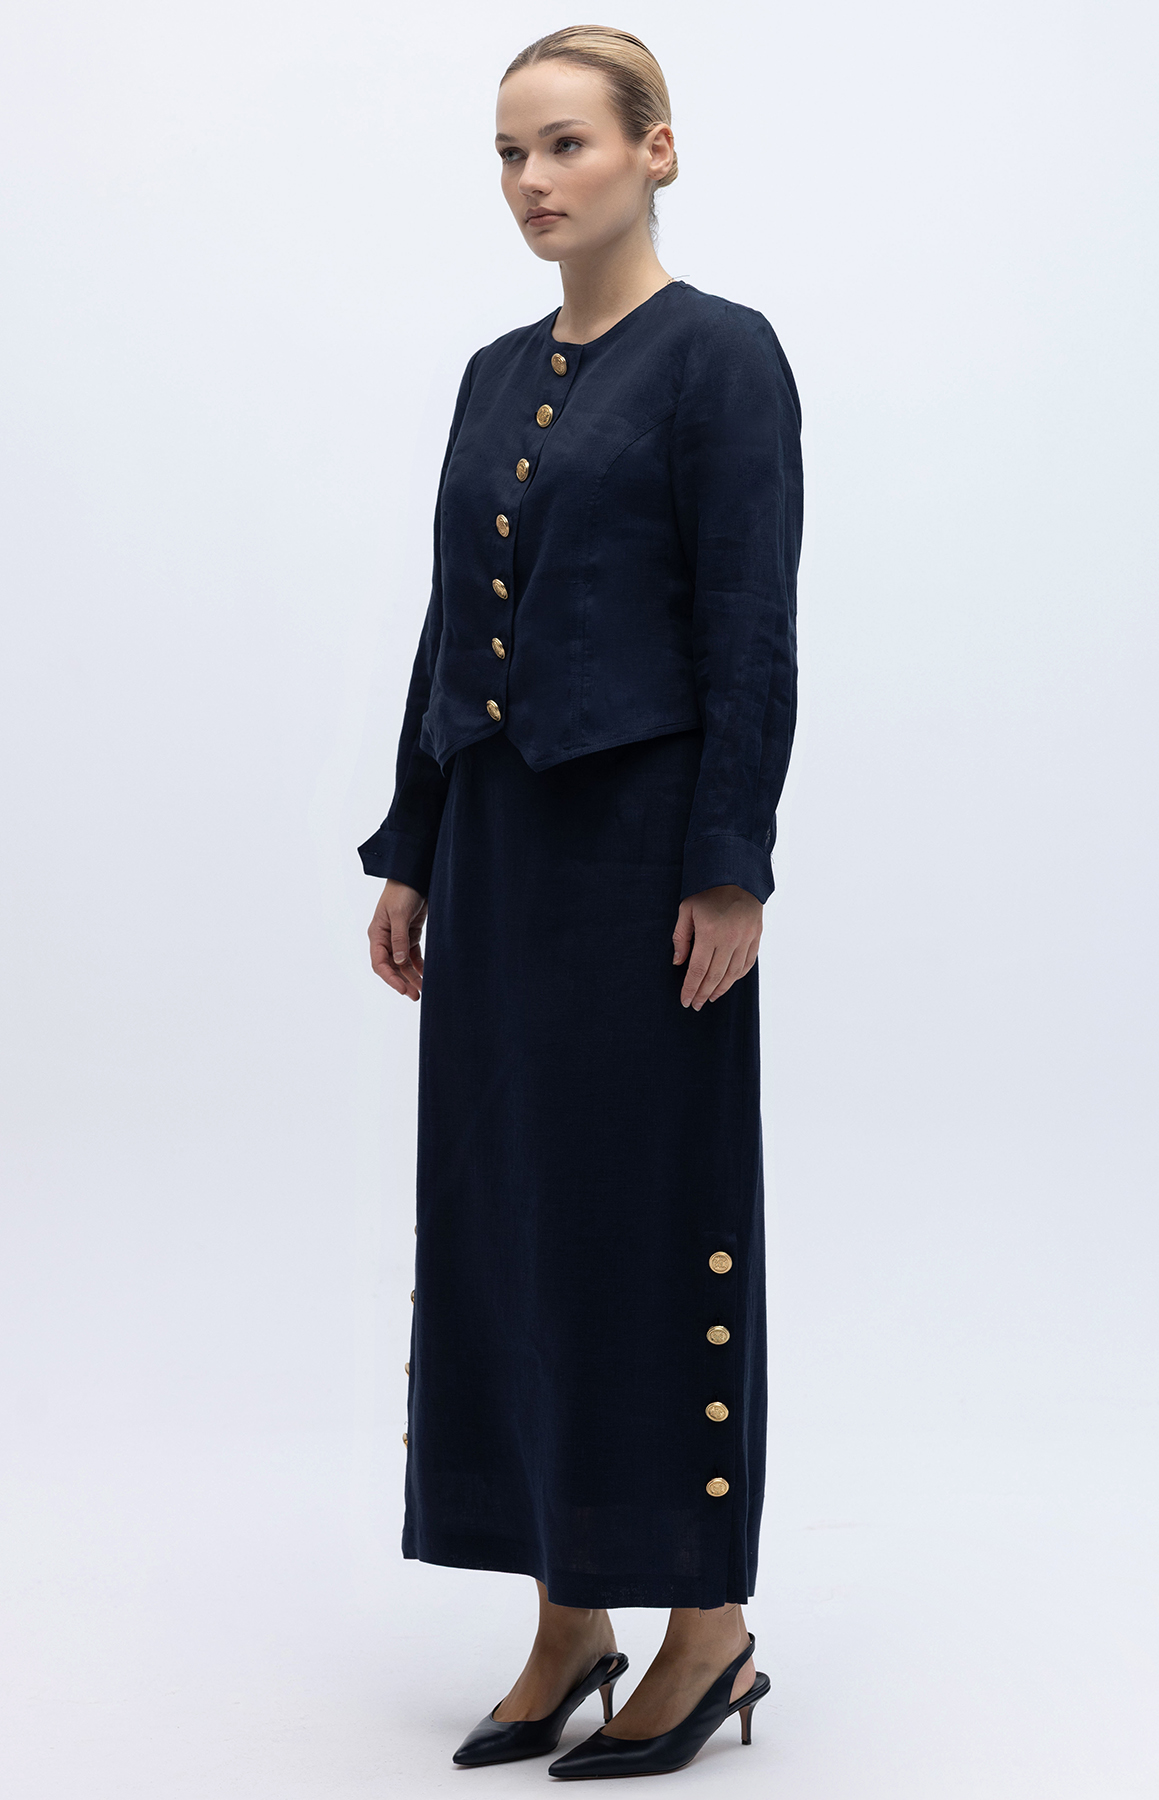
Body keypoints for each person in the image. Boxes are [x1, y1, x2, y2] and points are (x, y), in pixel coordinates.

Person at [359, 24, 803, 1780]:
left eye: (567, 144)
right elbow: (444, 623)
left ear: (655, 152)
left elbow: (748, 627)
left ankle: (706, 1627)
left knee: (645, 1222)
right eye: (509, 153)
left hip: (642, 867)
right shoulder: (492, 374)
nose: (533, 181)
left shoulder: (721, 357)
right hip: (497, 859)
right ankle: (569, 1615)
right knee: (508, 1228)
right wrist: (412, 844)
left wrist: (730, 865)